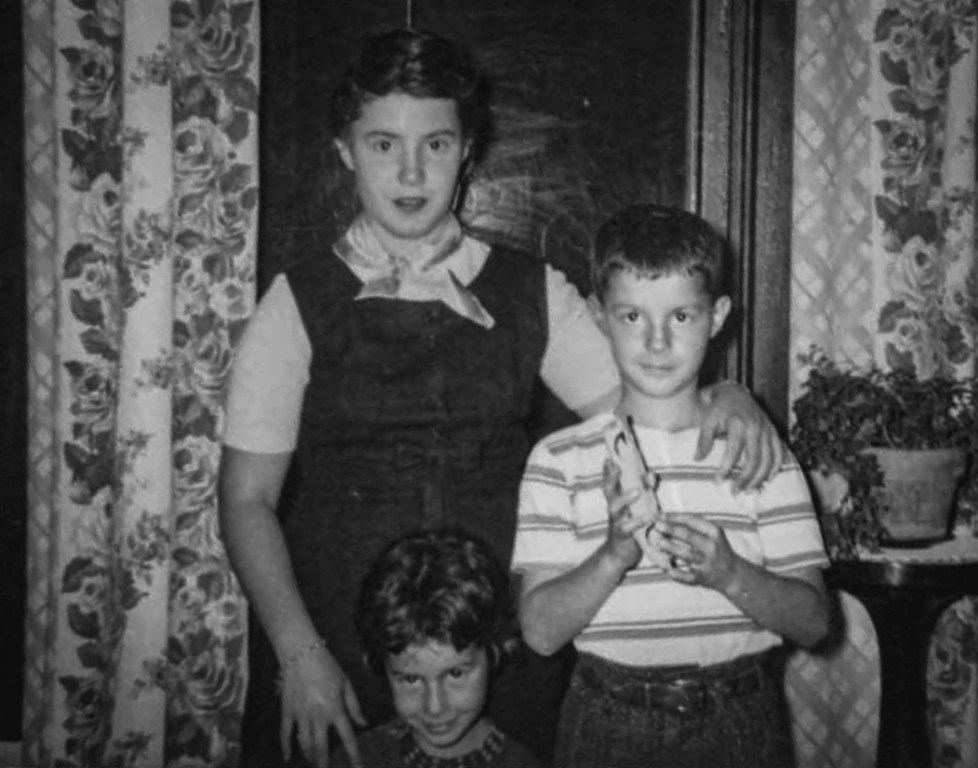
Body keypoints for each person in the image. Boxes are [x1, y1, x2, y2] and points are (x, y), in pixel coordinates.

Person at [218, 28, 784, 768]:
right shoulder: (295, 301)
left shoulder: (533, 290)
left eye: (436, 143)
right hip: (337, 645)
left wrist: (726, 394)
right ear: (346, 151)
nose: (412, 171)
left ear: (467, 151)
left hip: (497, 649)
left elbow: (645, 404)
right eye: (384, 144)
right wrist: (299, 654)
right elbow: (246, 500)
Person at [512, 204, 831, 768]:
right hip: (606, 721)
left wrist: (730, 573)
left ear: (717, 315)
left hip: (740, 722)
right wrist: (614, 554)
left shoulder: (759, 454)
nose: (657, 341)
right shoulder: (557, 462)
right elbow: (539, 632)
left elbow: (814, 622)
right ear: (599, 317)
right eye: (632, 316)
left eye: (681, 316)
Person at [331, 527, 543, 768]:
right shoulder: (355, 761)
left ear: (494, 653)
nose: (434, 707)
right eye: (411, 679)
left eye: (455, 673)